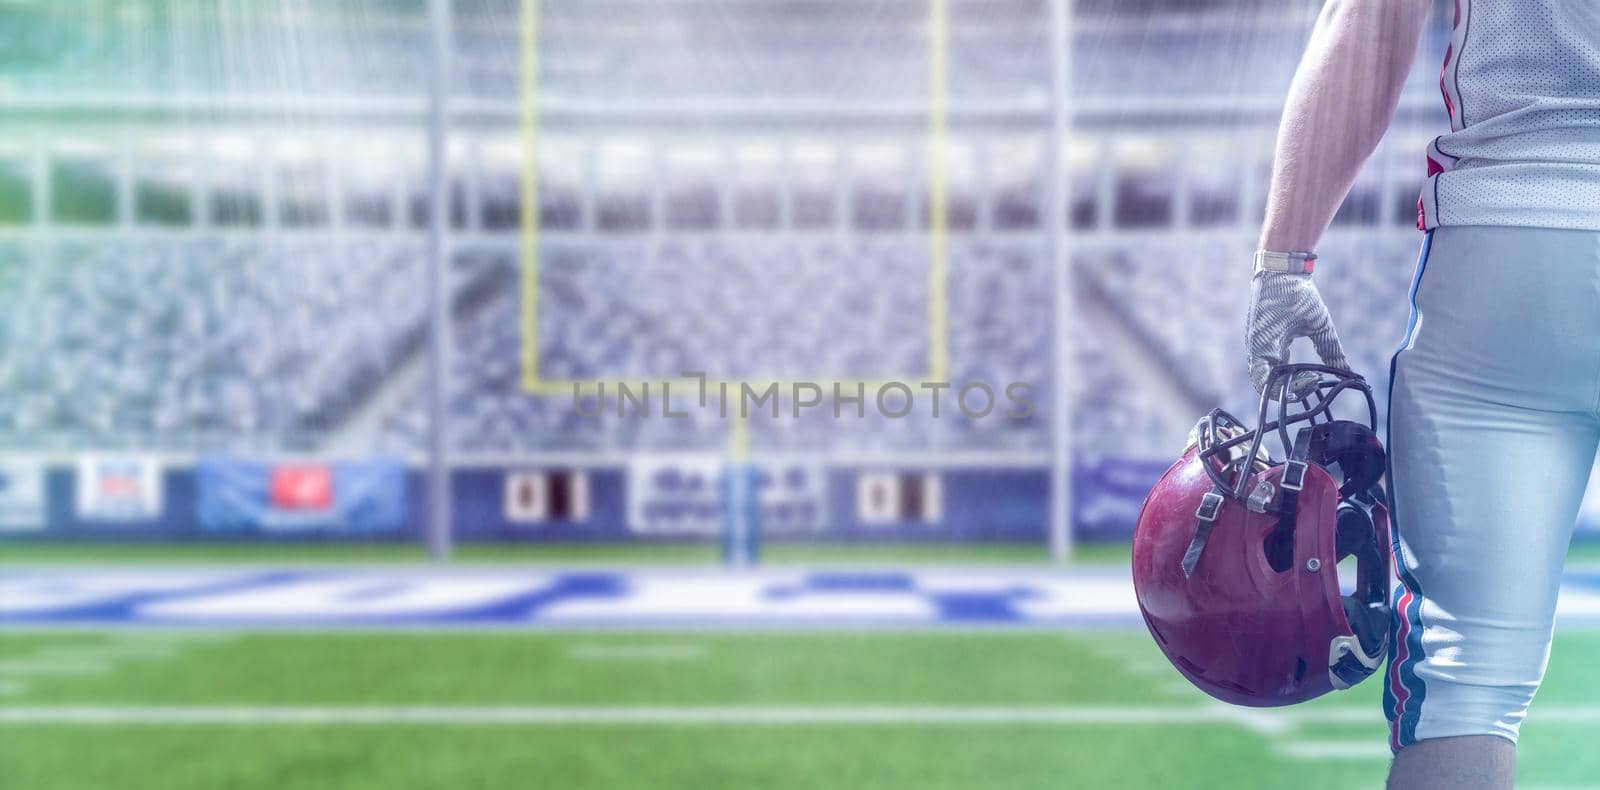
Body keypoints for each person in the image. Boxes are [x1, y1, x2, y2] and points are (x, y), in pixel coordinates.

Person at [1243, 1, 1600, 787]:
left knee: (1463, 681)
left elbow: (1369, 22)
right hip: (1515, 241)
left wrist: (1283, 264)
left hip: (1516, 244)